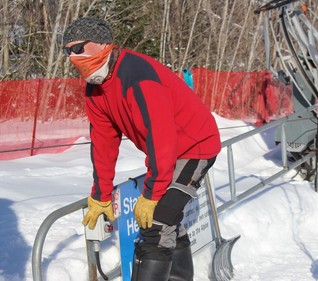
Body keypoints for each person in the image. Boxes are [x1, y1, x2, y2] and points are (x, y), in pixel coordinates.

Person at [62, 17, 221, 281]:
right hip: (167, 151)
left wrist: (153, 193)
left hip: (195, 146)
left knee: (157, 223)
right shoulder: (95, 90)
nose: (72, 58)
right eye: (68, 52)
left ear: (102, 44)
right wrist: (101, 195)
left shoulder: (137, 77)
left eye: (78, 49)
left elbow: (162, 136)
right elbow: (103, 142)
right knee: (166, 221)